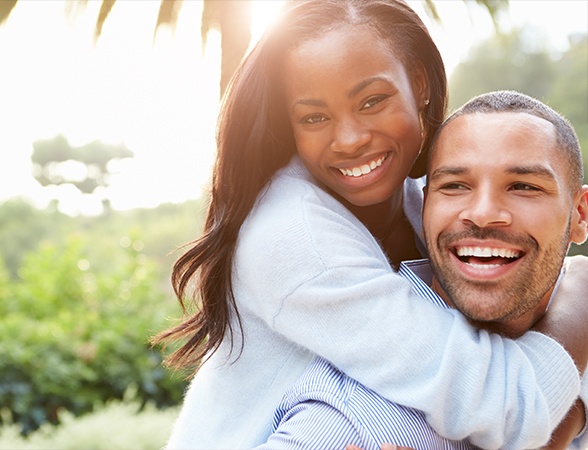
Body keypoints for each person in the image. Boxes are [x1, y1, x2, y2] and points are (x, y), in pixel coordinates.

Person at [154, 2, 588, 449]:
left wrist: (570, 413)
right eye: (314, 117)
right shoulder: (293, 235)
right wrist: (581, 296)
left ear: (418, 83)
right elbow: (505, 404)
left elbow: (529, 350)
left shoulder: (426, 199)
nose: (349, 139)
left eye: (372, 101)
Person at [254, 90, 588, 450]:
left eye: (523, 186)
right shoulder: (352, 417)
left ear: (580, 216)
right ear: (426, 204)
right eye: (455, 186)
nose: (482, 212)